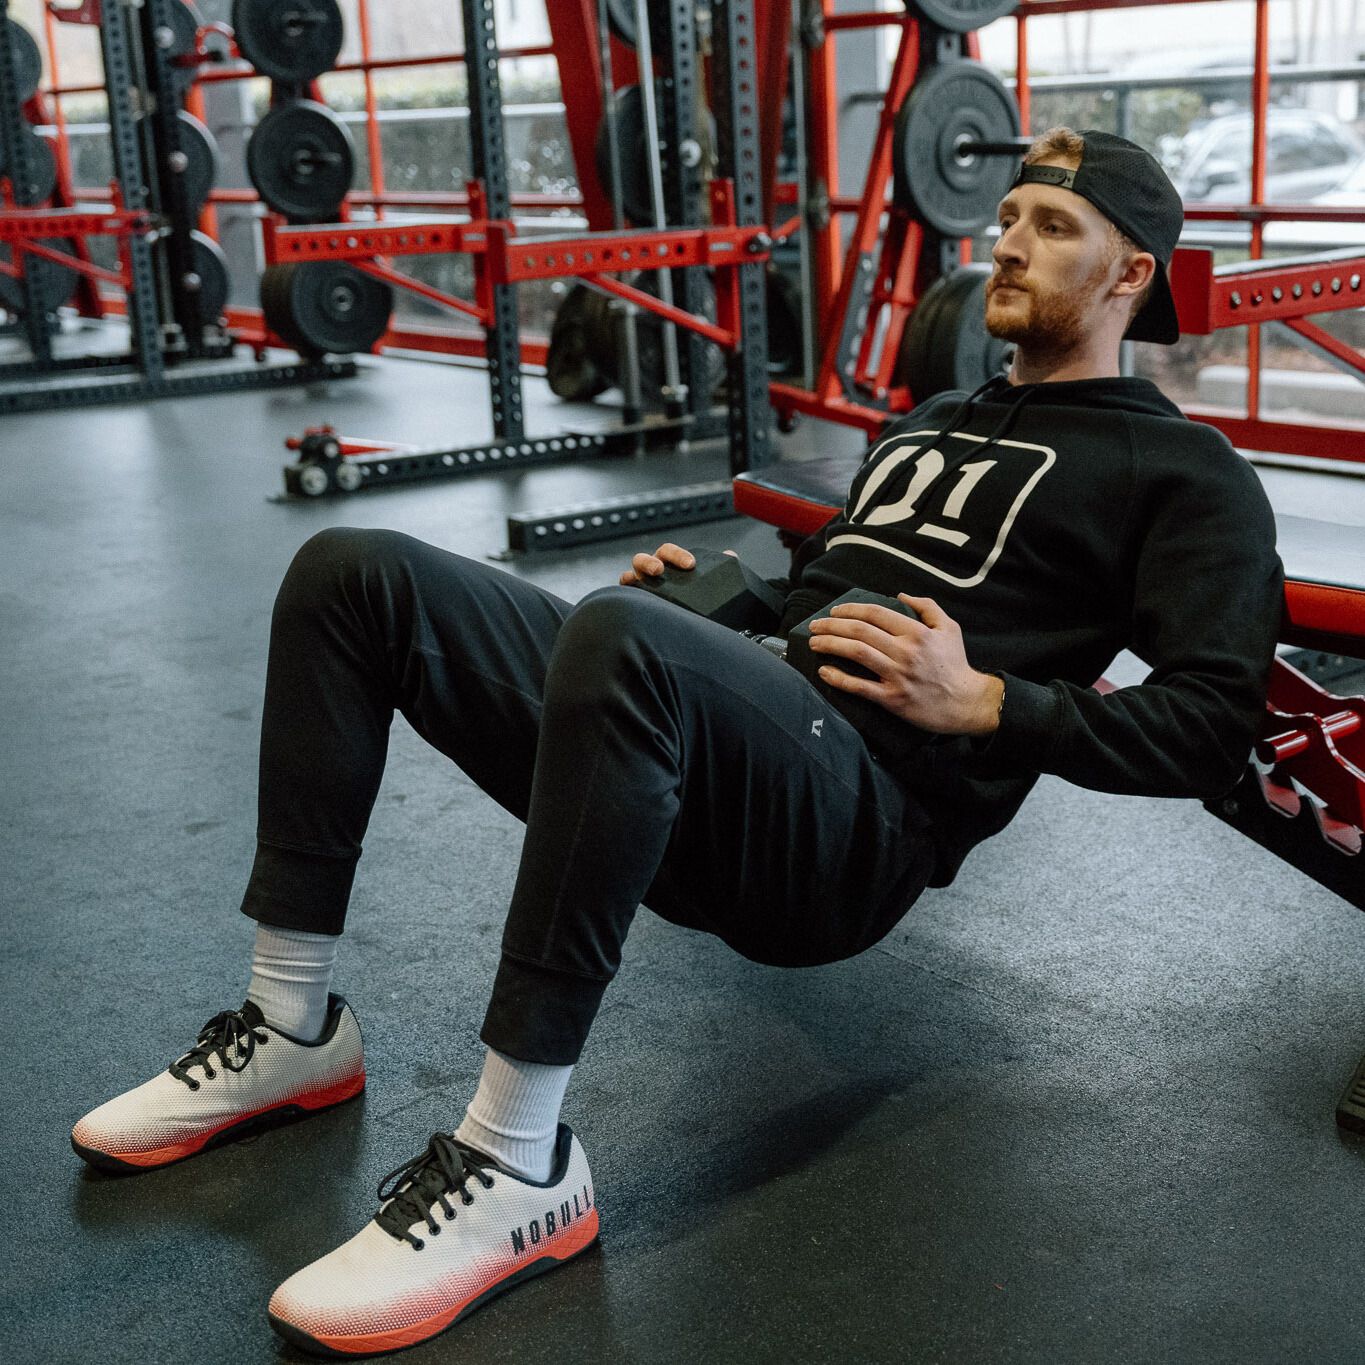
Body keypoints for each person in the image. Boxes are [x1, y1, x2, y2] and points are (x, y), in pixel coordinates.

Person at [72, 128, 1284, 1357]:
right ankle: (290, 1027)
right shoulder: (927, 423)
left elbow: (1212, 722)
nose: (1010, 241)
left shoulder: (1185, 472)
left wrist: (991, 707)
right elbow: (825, 581)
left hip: (852, 832)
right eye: (1011, 213)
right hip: (739, 742)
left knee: (624, 640)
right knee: (355, 573)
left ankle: (516, 1164)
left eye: (1052, 228)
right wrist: (728, 599)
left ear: (1132, 276)